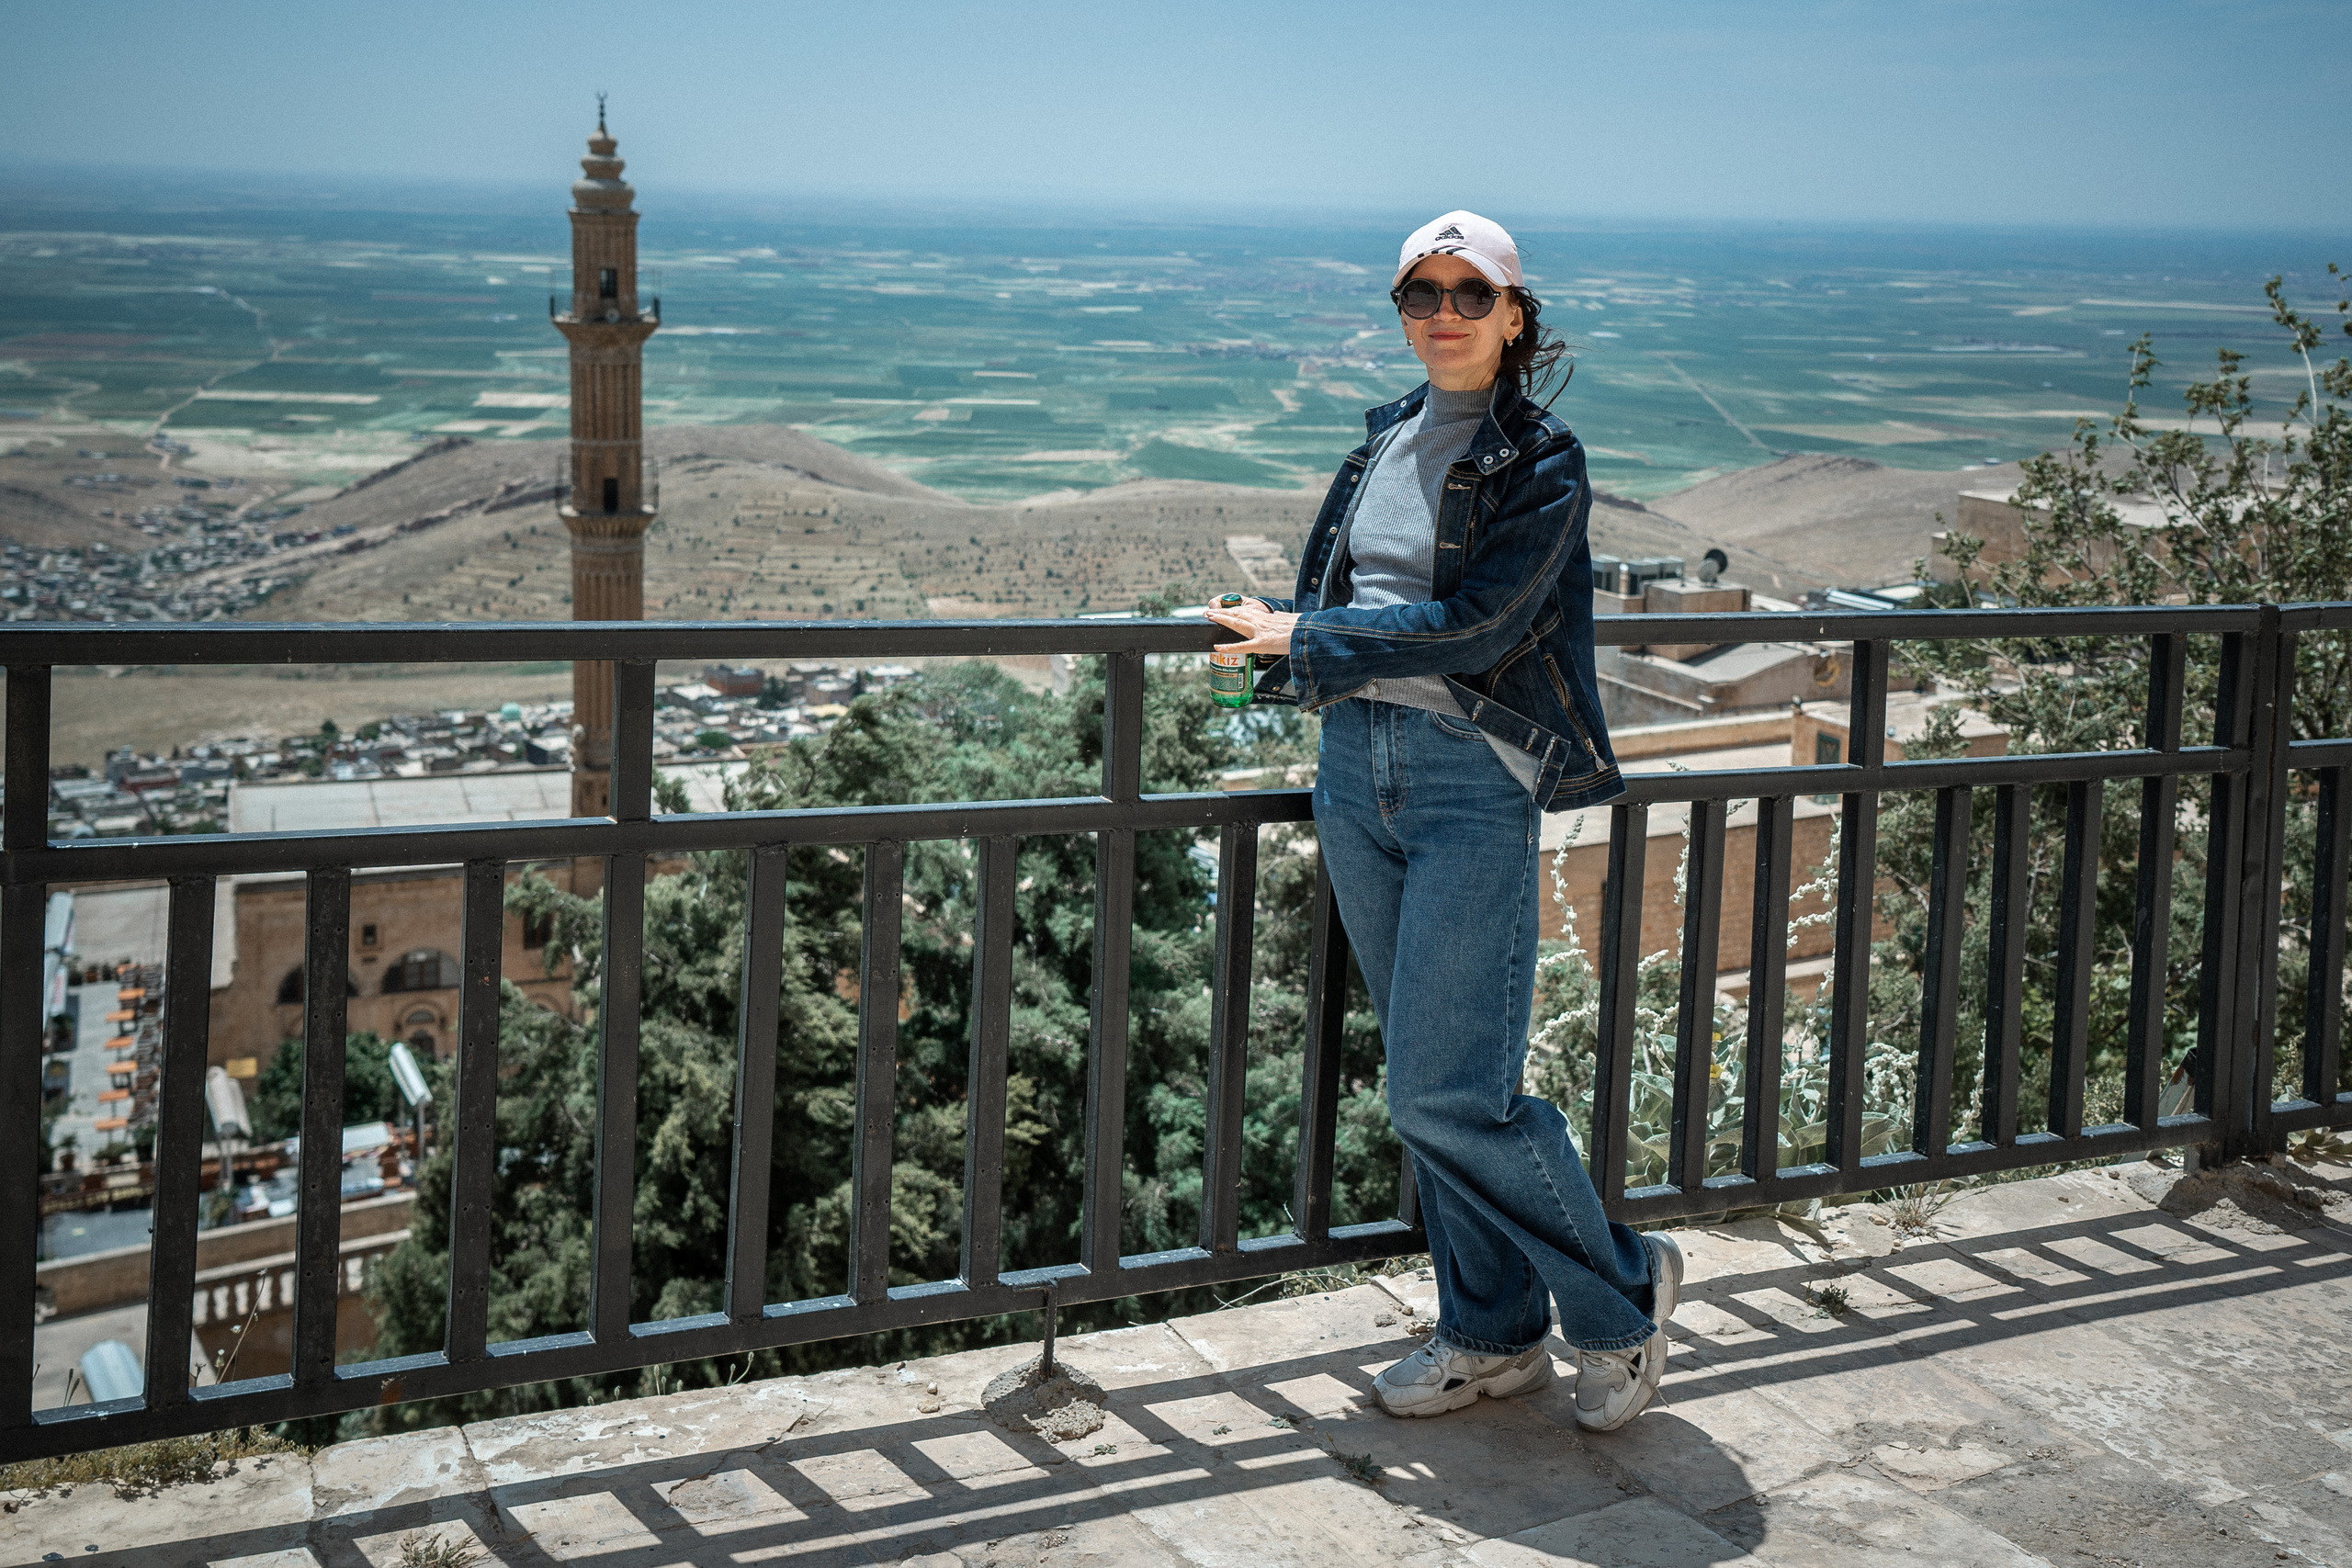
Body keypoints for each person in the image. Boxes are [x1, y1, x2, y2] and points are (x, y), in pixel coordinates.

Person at [1203, 211, 1681, 1431]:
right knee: (1431, 1078)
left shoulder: (1543, 460)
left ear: (1515, 318)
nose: (1446, 313)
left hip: (1472, 777)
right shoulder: (1384, 440)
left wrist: (1312, 635)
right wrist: (1284, 631)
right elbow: (1355, 591)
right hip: (1354, 765)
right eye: (1424, 292)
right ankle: (1491, 1334)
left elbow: (1480, 626)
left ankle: (1625, 1292)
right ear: (1403, 311)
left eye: (1474, 292)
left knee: (1442, 1092)